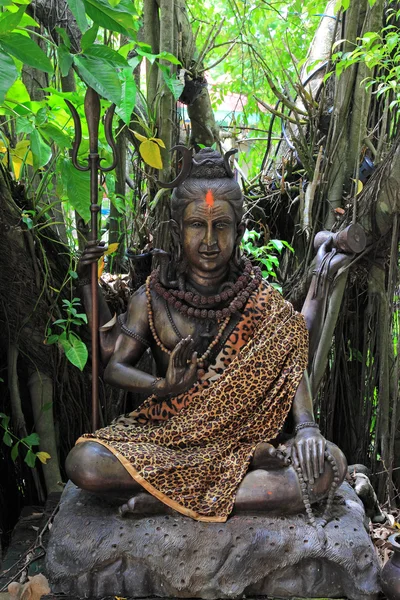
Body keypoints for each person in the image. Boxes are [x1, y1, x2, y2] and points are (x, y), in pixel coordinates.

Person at [66, 148, 347, 523]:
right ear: (179, 229)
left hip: (243, 445)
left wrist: (308, 428)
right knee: (85, 463)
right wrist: (162, 386)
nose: (210, 239)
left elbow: (294, 354)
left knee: (329, 465)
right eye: (197, 225)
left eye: (222, 226)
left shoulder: (265, 303)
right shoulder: (152, 298)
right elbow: (113, 368)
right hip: (168, 439)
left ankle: (167, 501)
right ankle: (200, 493)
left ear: (240, 231)